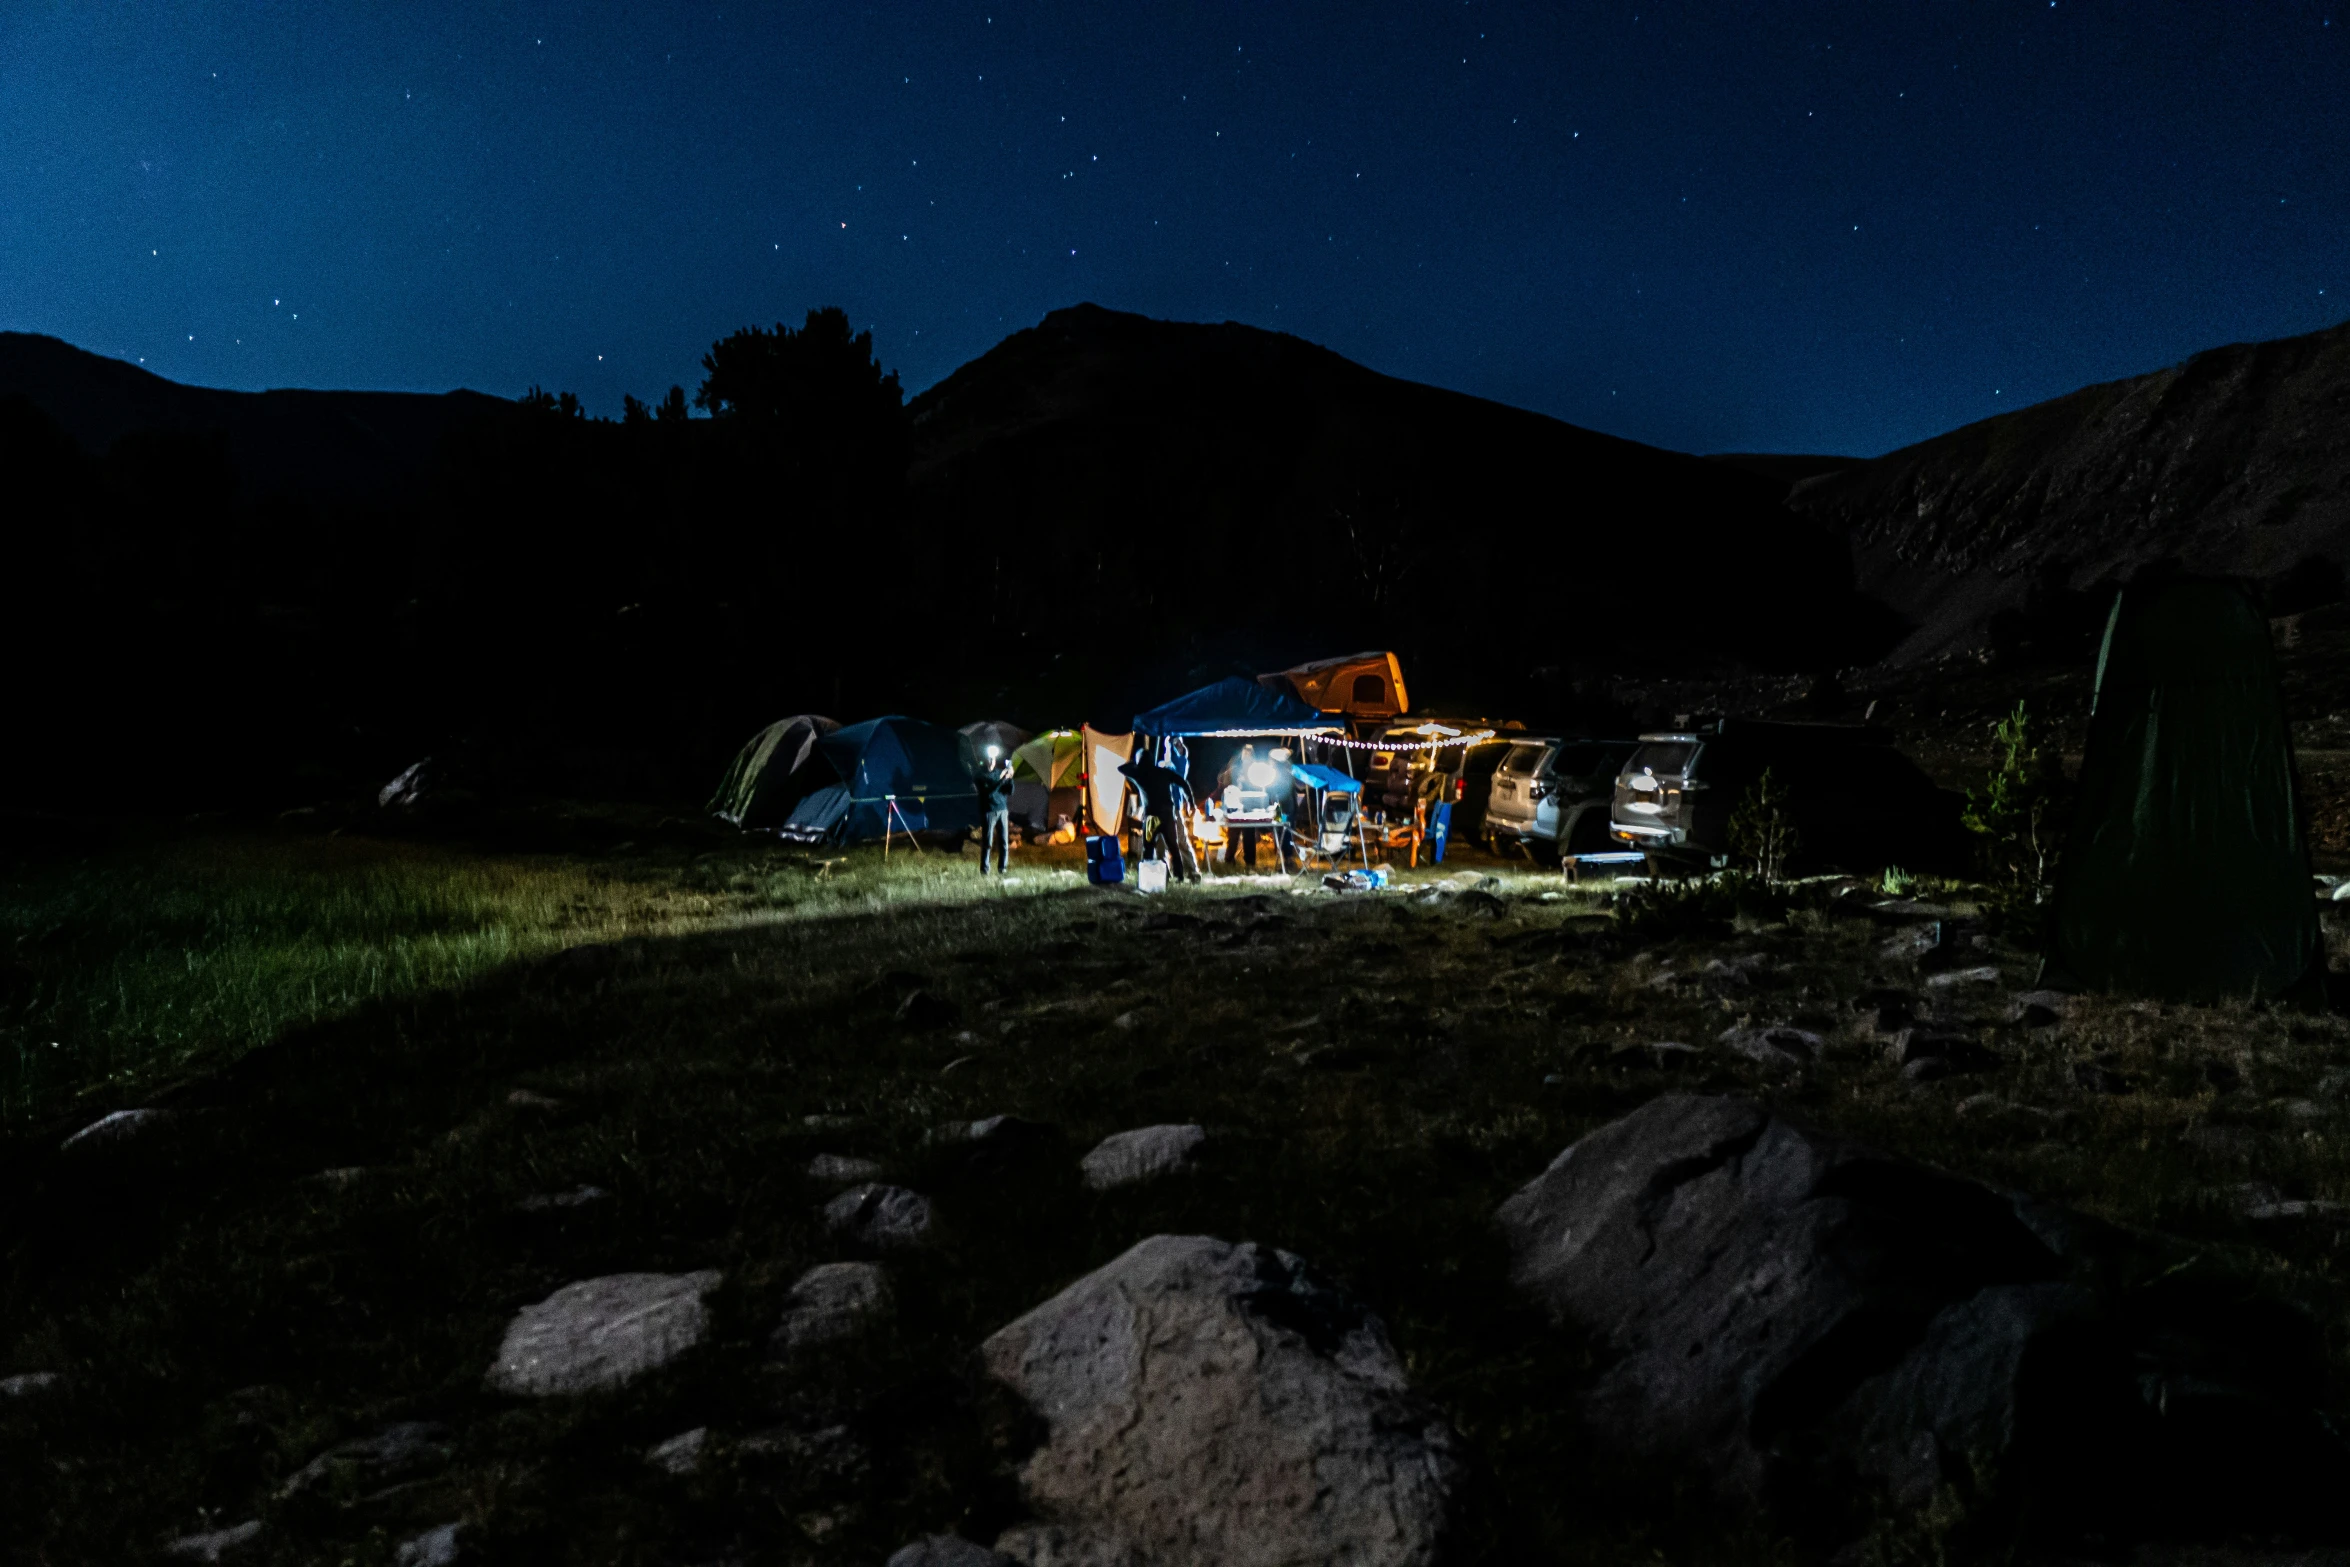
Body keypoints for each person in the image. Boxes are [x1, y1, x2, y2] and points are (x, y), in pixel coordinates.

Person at [1119, 747, 1201, 883]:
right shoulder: (1164, 772)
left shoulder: (1138, 774)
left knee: (1149, 848)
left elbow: (1122, 768)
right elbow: (1183, 783)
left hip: (1151, 817)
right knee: (1173, 847)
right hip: (1167, 815)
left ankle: (1148, 877)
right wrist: (1190, 802)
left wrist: (1136, 763)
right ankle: (1179, 877)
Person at [975, 743, 1015, 875]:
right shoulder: (981, 776)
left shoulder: (999, 772)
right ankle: (984, 870)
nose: (991, 761)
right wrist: (1003, 779)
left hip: (1002, 810)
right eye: (989, 758)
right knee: (987, 842)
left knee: (1004, 841)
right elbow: (989, 792)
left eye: (993, 759)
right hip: (989, 811)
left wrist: (1010, 778)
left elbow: (1010, 791)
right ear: (985, 759)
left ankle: (1002, 868)